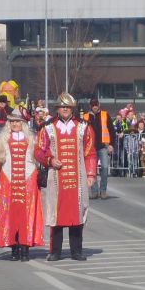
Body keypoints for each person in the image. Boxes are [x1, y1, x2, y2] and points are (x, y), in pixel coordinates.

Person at [35, 92, 97, 261]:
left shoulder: (84, 127)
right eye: (62, 107)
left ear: (72, 109)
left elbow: (90, 152)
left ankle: (76, 251)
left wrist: (91, 174)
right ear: (57, 109)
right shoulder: (47, 128)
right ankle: (55, 251)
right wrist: (50, 160)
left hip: (78, 178)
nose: (65, 109)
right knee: (56, 215)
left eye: (68, 107)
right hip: (56, 178)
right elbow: (38, 151)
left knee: (77, 213)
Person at [0, 108, 44, 261]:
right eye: (12, 121)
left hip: (28, 180)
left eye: (18, 121)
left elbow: (41, 156)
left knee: (26, 216)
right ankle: (14, 249)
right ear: (8, 123)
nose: (15, 124)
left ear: (23, 123)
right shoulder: (2, 140)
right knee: (10, 216)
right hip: (9, 181)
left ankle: (25, 249)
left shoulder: (32, 140)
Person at [83, 98, 114, 198]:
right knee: (92, 170)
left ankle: (103, 191)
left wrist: (111, 145)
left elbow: (111, 130)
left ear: (99, 105)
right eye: (93, 105)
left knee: (105, 168)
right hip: (90, 147)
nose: (95, 106)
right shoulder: (86, 117)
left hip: (103, 146)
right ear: (90, 106)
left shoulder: (105, 115)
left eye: (96, 105)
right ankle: (94, 191)